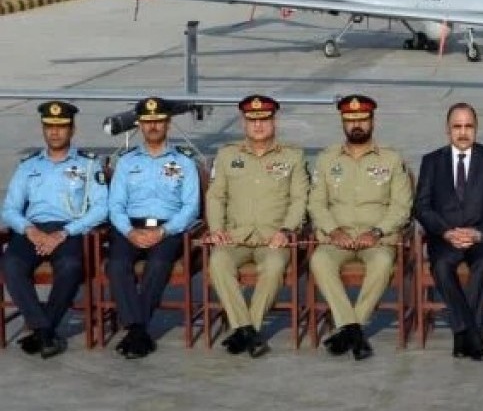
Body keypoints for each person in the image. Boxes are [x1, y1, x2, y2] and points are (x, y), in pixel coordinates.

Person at [308, 94, 412, 361]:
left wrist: (376, 232)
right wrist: (333, 231)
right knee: (319, 260)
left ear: (373, 121)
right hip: (337, 238)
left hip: (376, 239)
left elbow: (402, 206)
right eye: (350, 119)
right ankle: (353, 329)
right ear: (342, 122)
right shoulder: (327, 159)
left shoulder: (390, 159)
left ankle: (349, 328)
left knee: (381, 263)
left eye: (362, 119)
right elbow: (316, 204)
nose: (357, 124)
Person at [204, 95, 309, 358]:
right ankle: (248, 330)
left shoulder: (293, 157)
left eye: (264, 119)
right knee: (218, 261)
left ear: (275, 121)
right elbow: (216, 196)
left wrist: (287, 231)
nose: (258, 125)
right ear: (243, 123)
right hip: (235, 236)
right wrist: (216, 228)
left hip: (273, 237)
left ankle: (245, 328)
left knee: (273, 266)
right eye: (252, 120)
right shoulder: (227, 155)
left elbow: (300, 199)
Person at [1, 101, 108, 358]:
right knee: (11, 264)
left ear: (72, 129)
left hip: (68, 230)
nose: (54, 132)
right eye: (49, 127)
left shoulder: (88, 165)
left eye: (61, 127)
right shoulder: (28, 166)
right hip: (32, 230)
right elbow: (9, 209)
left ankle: (40, 330)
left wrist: (65, 232)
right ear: (43, 129)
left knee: (71, 266)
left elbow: (101, 208)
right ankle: (45, 330)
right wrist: (29, 230)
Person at [413, 102, 483, 362]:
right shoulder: (431, 161)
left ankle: (462, 334)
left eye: (468, 126)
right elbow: (421, 207)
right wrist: (446, 232)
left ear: (476, 129)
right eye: (457, 127)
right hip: (445, 239)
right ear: (448, 130)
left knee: (482, 269)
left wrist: (478, 233)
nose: (463, 132)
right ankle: (472, 334)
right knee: (442, 268)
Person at [107, 97, 201, 359]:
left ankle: (135, 329)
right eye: (147, 122)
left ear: (168, 123)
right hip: (130, 226)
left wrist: (163, 231)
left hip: (168, 228)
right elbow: (115, 205)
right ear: (140, 124)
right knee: (116, 265)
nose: (153, 126)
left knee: (159, 264)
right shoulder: (126, 162)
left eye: (158, 121)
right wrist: (129, 231)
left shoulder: (184, 161)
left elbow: (190, 207)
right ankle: (138, 330)